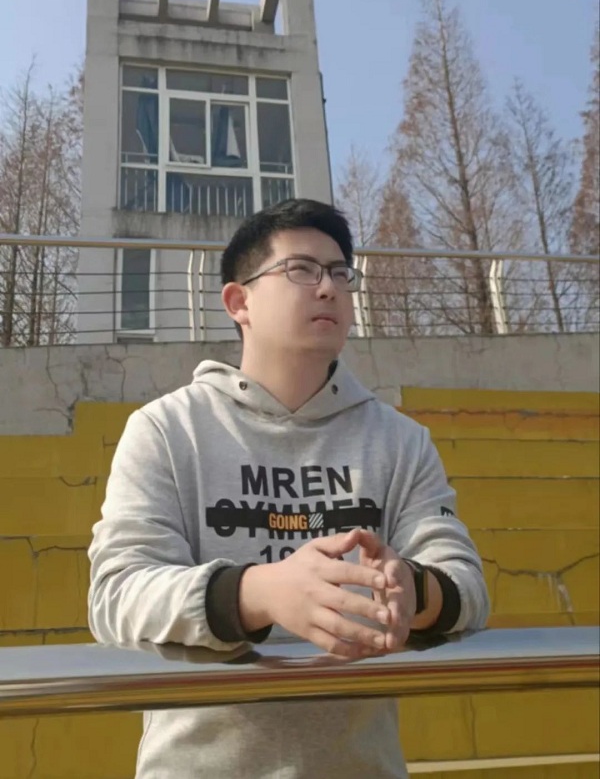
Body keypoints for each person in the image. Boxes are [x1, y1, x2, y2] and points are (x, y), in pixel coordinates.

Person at [88, 198, 489, 779]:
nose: (328, 288)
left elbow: (468, 586)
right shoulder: (167, 429)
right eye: (301, 269)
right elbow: (116, 596)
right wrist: (261, 593)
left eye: (340, 273)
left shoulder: (401, 441)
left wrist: (413, 589)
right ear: (239, 301)